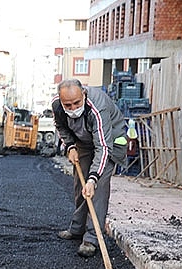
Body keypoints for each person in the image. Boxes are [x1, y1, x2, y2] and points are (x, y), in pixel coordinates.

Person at [52, 79, 127, 257]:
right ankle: (77, 228)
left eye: (77, 103)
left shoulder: (97, 108)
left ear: (84, 94)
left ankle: (92, 238)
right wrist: (70, 146)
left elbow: (102, 146)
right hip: (83, 143)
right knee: (81, 186)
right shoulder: (57, 106)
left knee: (97, 188)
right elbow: (61, 127)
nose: (72, 108)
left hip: (110, 142)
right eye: (68, 105)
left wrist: (93, 178)